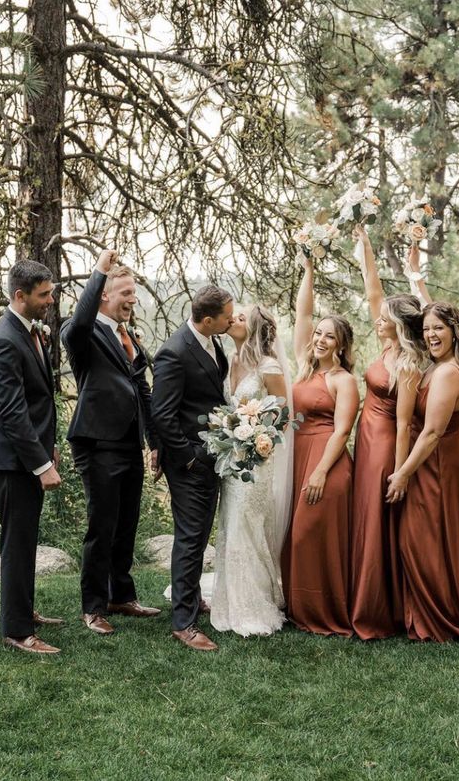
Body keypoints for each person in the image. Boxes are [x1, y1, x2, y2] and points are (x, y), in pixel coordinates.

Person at [61, 249, 161, 636]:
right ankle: (93, 606)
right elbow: (77, 324)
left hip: (129, 443)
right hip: (97, 442)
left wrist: (153, 440)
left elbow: (143, 389)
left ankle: (122, 594)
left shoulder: (129, 334)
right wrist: (100, 271)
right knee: (101, 526)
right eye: (125, 293)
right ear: (103, 294)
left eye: (134, 293)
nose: (132, 300)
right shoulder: (83, 332)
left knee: (126, 524)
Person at [387, 301, 459, 642]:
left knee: (423, 539)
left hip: (437, 464)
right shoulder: (436, 365)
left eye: (438, 328)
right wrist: (415, 269)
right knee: (425, 539)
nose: (430, 334)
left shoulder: (447, 372)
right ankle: (423, 610)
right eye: (427, 328)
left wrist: (403, 474)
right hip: (429, 459)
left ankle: (440, 616)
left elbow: (431, 433)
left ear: (454, 332)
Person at [0, 260, 63, 655]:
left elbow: (40, 399)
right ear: (20, 295)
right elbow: (11, 412)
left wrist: (51, 446)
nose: (50, 300)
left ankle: (25, 611)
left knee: (26, 538)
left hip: (29, 452)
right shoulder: (2, 341)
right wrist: (40, 464)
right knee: (17, 540)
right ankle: (16, 629)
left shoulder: (29, 332)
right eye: (43, 294)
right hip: (11, 459)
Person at [349, 230, 426, 639]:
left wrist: (400, 472)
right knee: (364, 516)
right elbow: (374, 292)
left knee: (378, 517)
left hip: (385, 444)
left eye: (384, 318)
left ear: (399, 325)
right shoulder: (386, 347)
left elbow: (404, 424)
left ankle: (377, 609)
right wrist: (365, 249)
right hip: (366, 435)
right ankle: (363, 596)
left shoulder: (409, 364)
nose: (377, 319)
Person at [151, 285, 233, 651]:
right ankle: (184, 623)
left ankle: (193, 598)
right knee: (189, 537)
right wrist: (189, 456)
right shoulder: (174, 352)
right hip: (188, 462)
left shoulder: (212, 342)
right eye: (227, 317)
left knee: (199, 536)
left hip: (210, 455)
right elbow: (162, 414)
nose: (232, 321)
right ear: (207, 319)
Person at [281, 256, 360, 636]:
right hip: (296, 456)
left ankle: (323, 611)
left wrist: (320, 471)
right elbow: (302, 315)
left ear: (341, 345)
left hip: (326, 462)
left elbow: (343, 431)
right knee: (291, 535)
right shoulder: (304, 366)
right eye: (319, 334)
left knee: (310, 536)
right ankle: (298, 609)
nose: (320, 339)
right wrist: (310, 270)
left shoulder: (343, 380)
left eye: (330, 336)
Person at [210, 305, 291, 637]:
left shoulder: (268, 366)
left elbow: (283, 414)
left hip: (256, 461)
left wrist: (262, 440)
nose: (233, 320)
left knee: (248, 525)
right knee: (231, 525)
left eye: (241, 318)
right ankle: (230, 603)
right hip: (232, 459)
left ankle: (256, 606)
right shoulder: (230, 359)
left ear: (254, 328)